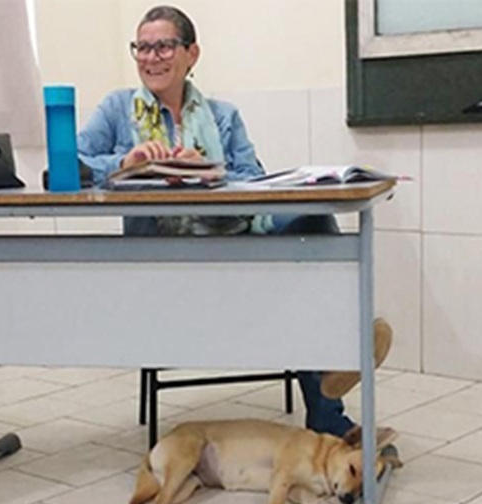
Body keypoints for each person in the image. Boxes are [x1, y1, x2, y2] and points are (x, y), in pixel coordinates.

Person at [77, 5, 393, 439]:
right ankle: (335, 372)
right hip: (160, 262)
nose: (151, 58)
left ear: (192, 54)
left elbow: (253, 182)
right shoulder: (118, 110)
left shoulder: (223, 116)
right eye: (142, 48)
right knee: (296, 279)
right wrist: (125, 161)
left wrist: (210, 170)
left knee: (312, 222)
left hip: (236, 243)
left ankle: (336, 363)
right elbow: (71, 164)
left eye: (163, 46)